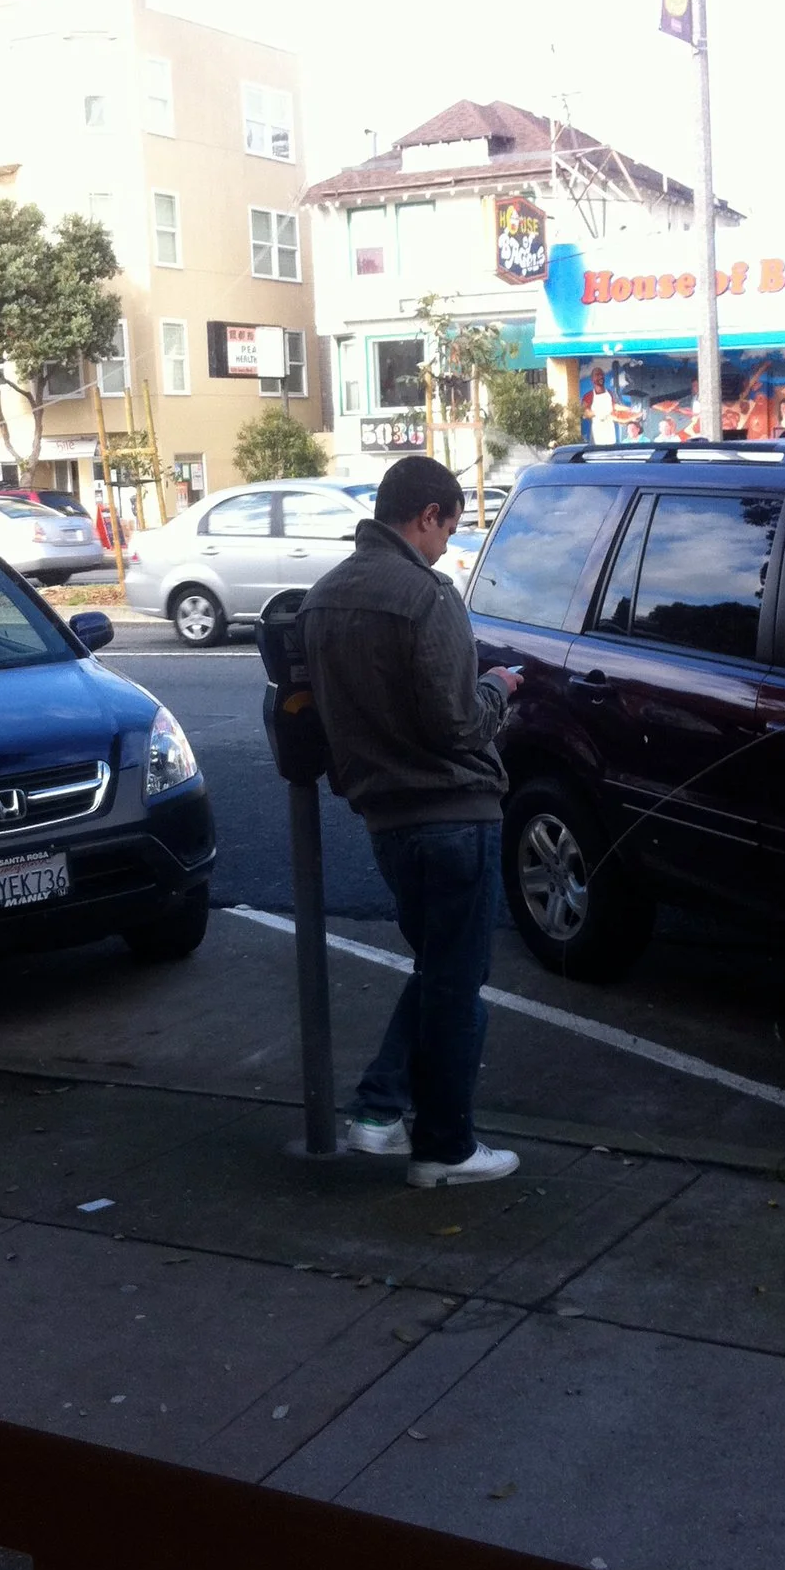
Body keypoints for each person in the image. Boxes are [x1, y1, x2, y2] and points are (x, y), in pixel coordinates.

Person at [299, 458, 523, 1188]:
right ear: (428, 515)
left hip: (386, 820)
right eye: (448, 528)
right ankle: (444, 1150)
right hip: (455, 814)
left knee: (440, 970)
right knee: (457, 985)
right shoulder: (427, 596)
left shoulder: (322, 598)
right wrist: (499, 687)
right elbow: (459, 723)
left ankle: (378, 1110)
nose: (446, 544)